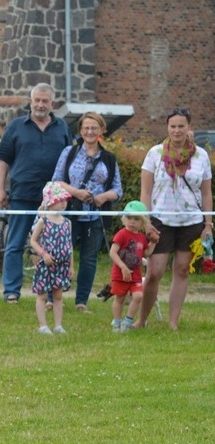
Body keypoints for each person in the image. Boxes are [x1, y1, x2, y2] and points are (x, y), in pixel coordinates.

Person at [0, 83, 72, 303]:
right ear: (30, 102)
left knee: (52, 246)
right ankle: (11, 291)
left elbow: (71, 161)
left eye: (45, 101)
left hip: (54, 200)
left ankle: (50, 291)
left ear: (52, 103)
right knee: (16, 243)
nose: (40, 104)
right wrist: (0, 189)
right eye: (36, 100)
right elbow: (2, 160)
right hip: (22, 194)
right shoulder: (17, 127)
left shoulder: (62, 127)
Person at [136, 107, 213, 331]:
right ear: (167, 128)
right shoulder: (154, 154)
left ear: (189, 127)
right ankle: (142, 320)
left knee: (181, 269)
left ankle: (172, 323)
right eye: (173, 126)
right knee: (155, 271)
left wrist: (208, 224)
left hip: (191, 221)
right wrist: (146, 220)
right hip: (160, 219)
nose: (177, 130)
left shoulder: (201, 156)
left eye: (181, 126)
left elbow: (206, 193)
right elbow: (146, 192)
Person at [51, 111, 123, 312]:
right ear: (80, 131)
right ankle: (52, 296)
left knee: (89, 259)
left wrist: (103, 197)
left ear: (101, 130)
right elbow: (56, 180)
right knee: (61, 254)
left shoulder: (109, 158)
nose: (90, 131)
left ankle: (81, 301)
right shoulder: (69, 152)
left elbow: (118, 189)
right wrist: (76, 192)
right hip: (69, 213)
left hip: (95, 215)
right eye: (86, 128)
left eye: (94, 128)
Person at [28, 182, 73, 334]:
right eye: (59, 200)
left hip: (62, 265)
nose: (63, 203)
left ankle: (58, 325)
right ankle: (43, 325)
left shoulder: (67, 223)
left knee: (58, 295)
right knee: (42, 294)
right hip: (45, 264)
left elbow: (69, 245)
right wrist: (44, 254)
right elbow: (33, 241)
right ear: (50, 201)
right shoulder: (43, 221)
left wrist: (71, 266)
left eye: (65, 200)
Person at [108, 200, 156, 332]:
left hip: (135, 275)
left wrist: (153, 243)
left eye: (136, 219)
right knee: (120, 298)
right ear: (124, 219)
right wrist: (123, 267)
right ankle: (117, 323)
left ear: (143, 222)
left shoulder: (141, 237)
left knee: (138, 296)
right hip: (120, 274)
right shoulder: (122, 234)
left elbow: (145, 253)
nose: (132, 221)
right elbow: (113, 253)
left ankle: (128, 321)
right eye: (129, 218)